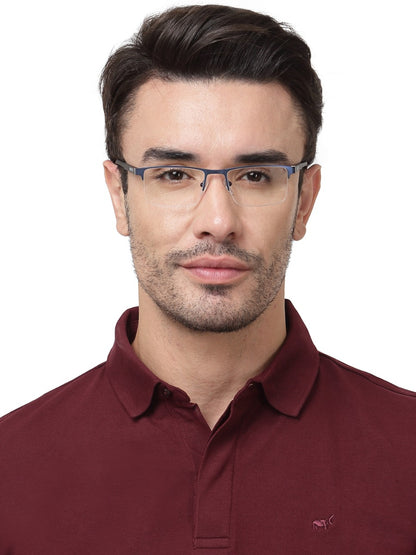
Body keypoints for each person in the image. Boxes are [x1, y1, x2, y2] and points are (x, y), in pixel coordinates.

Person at [0, 4, 415, 553]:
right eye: (174, 174)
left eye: (256, 175)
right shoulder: (10, 468)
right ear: (119, 196)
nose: (218, 221)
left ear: (304, 201)